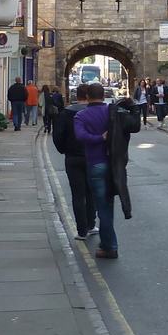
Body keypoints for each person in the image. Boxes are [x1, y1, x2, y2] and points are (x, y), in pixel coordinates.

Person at [70, 83, 121, 257]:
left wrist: (98, 138)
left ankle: (110, 246)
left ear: (88, 97)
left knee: (103, 208)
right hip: (114, 165)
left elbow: (80, 136)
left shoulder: (81, 115)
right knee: (108, 205)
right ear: (103, 96)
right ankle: (107, 242)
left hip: (95, 164)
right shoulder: (112, 112)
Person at [53, 84, 97, 238]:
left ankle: (82, 231)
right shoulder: (93, 113)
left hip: (73, 158)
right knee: (90, 192)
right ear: (88, 96)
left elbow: (58, 136)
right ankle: (91, 224)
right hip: (92, 156)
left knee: (78, 195)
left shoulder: (65, 114)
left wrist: (65, 150)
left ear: (75, 96)